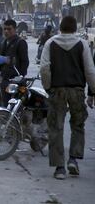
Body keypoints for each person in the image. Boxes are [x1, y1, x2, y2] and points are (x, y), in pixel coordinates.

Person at [40, 16, 95, 180]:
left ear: (60, 27)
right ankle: (73, 159)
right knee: (78, 125)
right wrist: (93, 91)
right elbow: (90, 71)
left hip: (57, 90)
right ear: (74, 28)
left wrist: (48, 87)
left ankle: (59, 168)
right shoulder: (82, 44)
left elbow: (44, 68)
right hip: (77, 91)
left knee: (56, 127)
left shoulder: (50, 43)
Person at [0, 19, 29, 106]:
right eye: (4, 29)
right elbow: (1, 60)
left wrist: (21, 76)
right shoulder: (4, 42)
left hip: (16, 80)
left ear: (15, 29)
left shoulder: (20, 42)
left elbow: (25, 61)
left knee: (17, 105)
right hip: (5, 79)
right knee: (6, 105)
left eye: (9, 29)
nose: (6, 31)